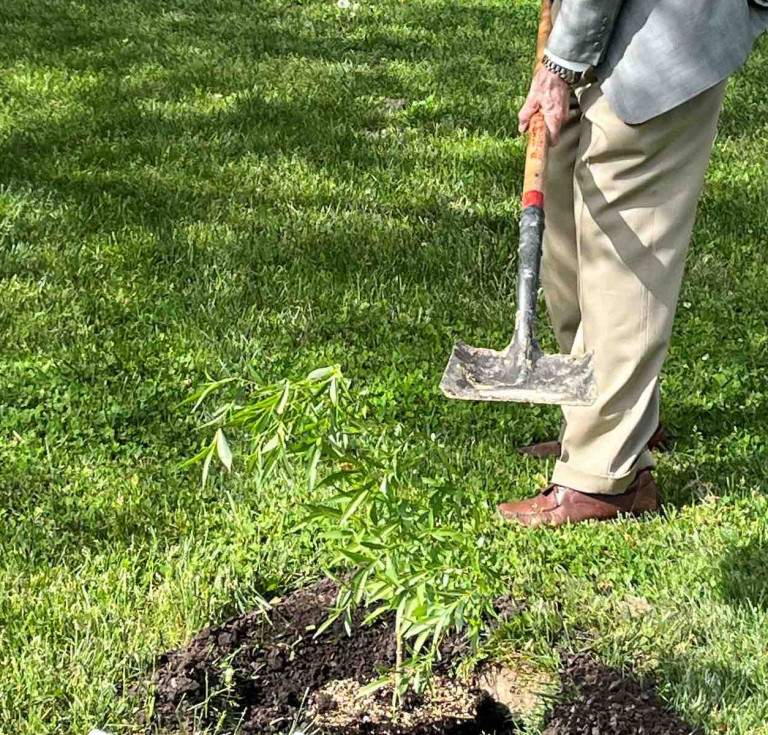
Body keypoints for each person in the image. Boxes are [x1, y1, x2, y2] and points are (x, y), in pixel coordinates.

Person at [498, 0, 768, 527]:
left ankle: (607, 477)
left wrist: (559, 65)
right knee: (566, 195)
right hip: (601, 19)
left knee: (624, 224)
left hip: (667, 23)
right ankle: (609, 413)